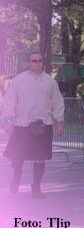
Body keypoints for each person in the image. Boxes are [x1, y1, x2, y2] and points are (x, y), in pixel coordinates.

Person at [1, 52, 65, 198]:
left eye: (39, 60)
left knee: (40, 158)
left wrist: (60, 121)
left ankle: (36, 188)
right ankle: (16, 177)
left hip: (43, 125)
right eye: (34, 61)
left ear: (43, 62)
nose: (37, 63)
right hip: (22, 124)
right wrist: (7, 121)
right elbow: (10, 101)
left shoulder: (50, 81)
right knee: (17, 156)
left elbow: (57, 101)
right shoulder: (18, 81)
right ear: (28, 63)